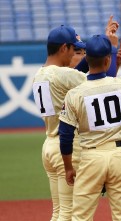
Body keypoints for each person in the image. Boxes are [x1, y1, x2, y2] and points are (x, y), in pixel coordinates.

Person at [58, 35, 121, 220]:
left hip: (91, 157)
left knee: (81, 217)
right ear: (108, 60)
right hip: (119, 156)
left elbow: (65, 135)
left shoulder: (75, 94)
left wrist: (69, 167)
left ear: (87, 59)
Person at [32, 25, 87, 221]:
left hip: (49, 144)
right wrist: (111, 49)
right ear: (64, 48)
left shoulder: (40, 74)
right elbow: (98, 79)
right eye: (74, 49)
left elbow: (73, 75)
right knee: (69, 212)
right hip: (67, 146)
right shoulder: (61, 74)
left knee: (58, 211)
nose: (75, 54)